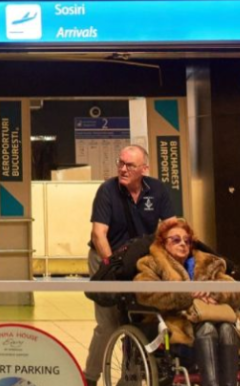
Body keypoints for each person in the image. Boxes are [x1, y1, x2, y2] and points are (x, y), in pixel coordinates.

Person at [84, 144, 175, 386]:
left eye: (130, 165)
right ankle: (90, 377)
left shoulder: (157, 190)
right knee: (109, 323)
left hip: (139, 261)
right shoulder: (107, 190)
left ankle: (130, 379)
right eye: (121, 163)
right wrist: (112, 266)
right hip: (105, 258)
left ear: (144, 169)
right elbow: (98, 234)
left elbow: (172, 229)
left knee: (140, 319)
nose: (123, 169)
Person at [134, 218, 240, 386]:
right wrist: (188, 294)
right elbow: (145, 292)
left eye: (187, 241)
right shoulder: (151, 264)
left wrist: (213, 291)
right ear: (163, 243)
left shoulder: (208, 263)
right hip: (178, 324)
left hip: (216, 318)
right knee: (207, 329)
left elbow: (235, 290)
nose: (183, 244)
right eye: (176, 240)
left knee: (227, 328)